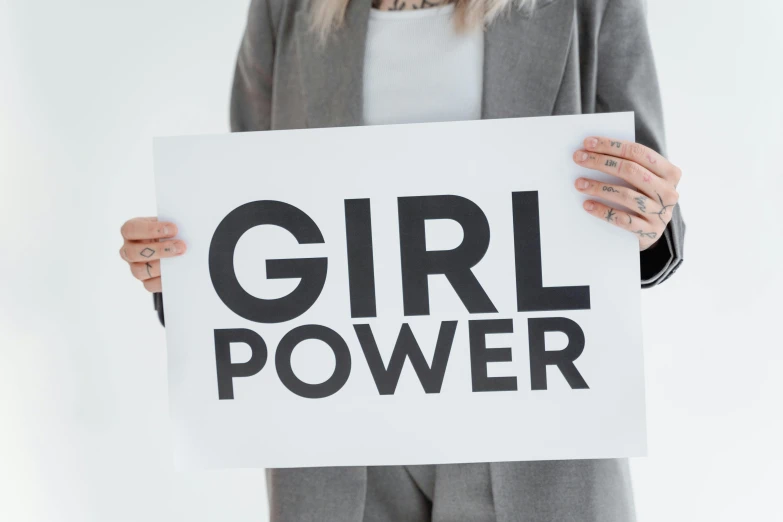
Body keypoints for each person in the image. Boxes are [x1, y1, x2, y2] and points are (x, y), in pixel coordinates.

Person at [118, 0, 686, 520]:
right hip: (342, 438)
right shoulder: (285, 10)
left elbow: (653, 202)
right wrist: (189, 276)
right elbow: (252, 210)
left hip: (535, 426)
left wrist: (645, 218)